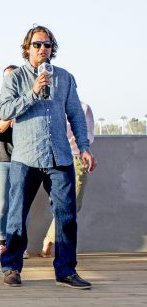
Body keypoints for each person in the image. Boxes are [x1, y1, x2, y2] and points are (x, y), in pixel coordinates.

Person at [0, 26, 96, 289]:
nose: (43, 49)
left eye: (48, 45)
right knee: (17, 216)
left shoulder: (64, 77)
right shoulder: (15, 78)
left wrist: (84, 147)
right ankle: (11, 267)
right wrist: (32, 91)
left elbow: (75, 114)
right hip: (25, 158)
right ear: (27, 48)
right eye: (37, 44)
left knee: (66, 216)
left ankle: (65, 271)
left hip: (60, 157)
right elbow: (5, 111)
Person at [41, 102, 95, 257]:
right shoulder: (50, 106)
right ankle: (55, 242)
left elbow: (89, 135)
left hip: (77, 158)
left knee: (73, 204)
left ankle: (52, 240)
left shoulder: (83, 107)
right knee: (60, 204)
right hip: (53, 158)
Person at [0, 65, 17, 257]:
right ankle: (1, 243)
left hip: (23, 160)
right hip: (1, 160)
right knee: (2, 203)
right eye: (6, 78)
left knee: (20, 204)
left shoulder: (27, 99)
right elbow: (0, 127)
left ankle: (17, 245)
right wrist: (14, 114)